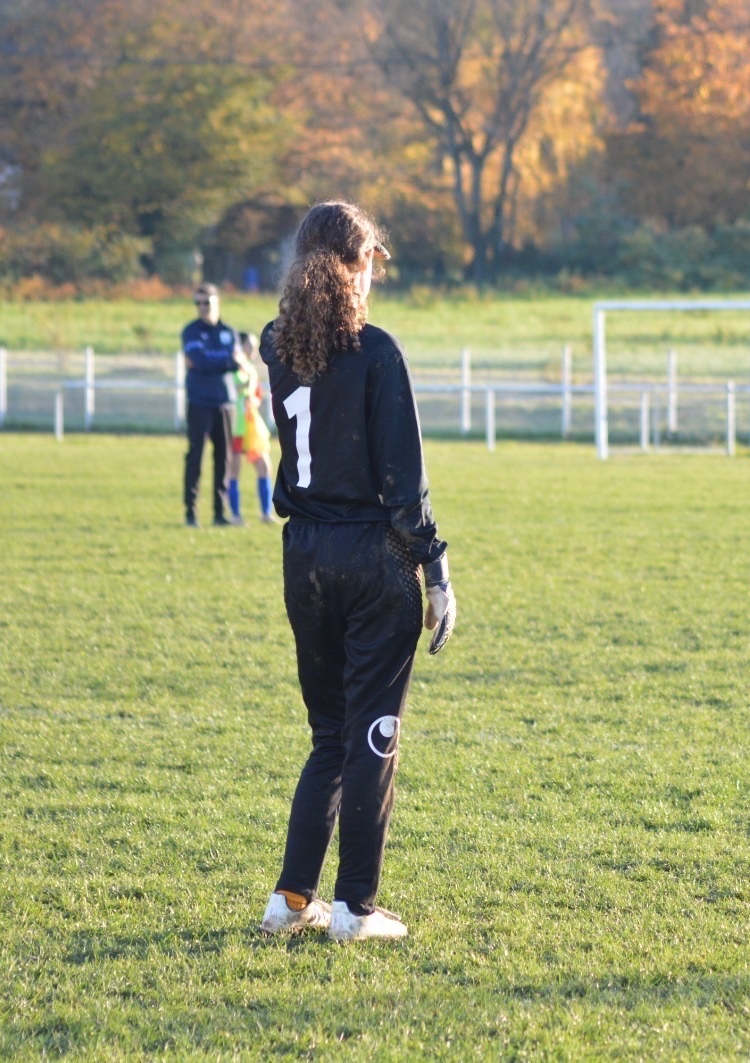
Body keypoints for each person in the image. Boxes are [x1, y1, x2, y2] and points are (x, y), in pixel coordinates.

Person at [257, 201, 457, 943]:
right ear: (356, 264)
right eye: (371, 259)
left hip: (305, 554)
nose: (375, 273)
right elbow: (405, 483)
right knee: (373, 735)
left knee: (328, 735)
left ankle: (290, 900)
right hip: (373, 557)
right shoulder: (377, 352)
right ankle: (355, 909)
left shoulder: (276, 345)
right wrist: (437, 570)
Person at [181, 283, 242, 527]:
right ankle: (191, 513)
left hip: (225, 402)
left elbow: (235, 361)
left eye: (206, 302)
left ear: (217, 302)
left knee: (224, 459)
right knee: (195, 456)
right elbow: (198, 360)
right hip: (199, 402)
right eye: (197, 303)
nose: (202, 307)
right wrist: (227, 360)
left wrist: (218, 360)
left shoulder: (229, 331)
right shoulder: (191, 331)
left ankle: (219, 513)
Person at [226, 333, 276, 524]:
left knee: (264, 466)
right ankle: (235, 515)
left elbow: (256, 396)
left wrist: (253, 400)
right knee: (234, 469)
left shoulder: (250, 368)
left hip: (251, 424)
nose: (254, 350)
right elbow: (235, 387)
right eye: (250, 346)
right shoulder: (232, 366)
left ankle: (266, 513)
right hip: (236, 425)